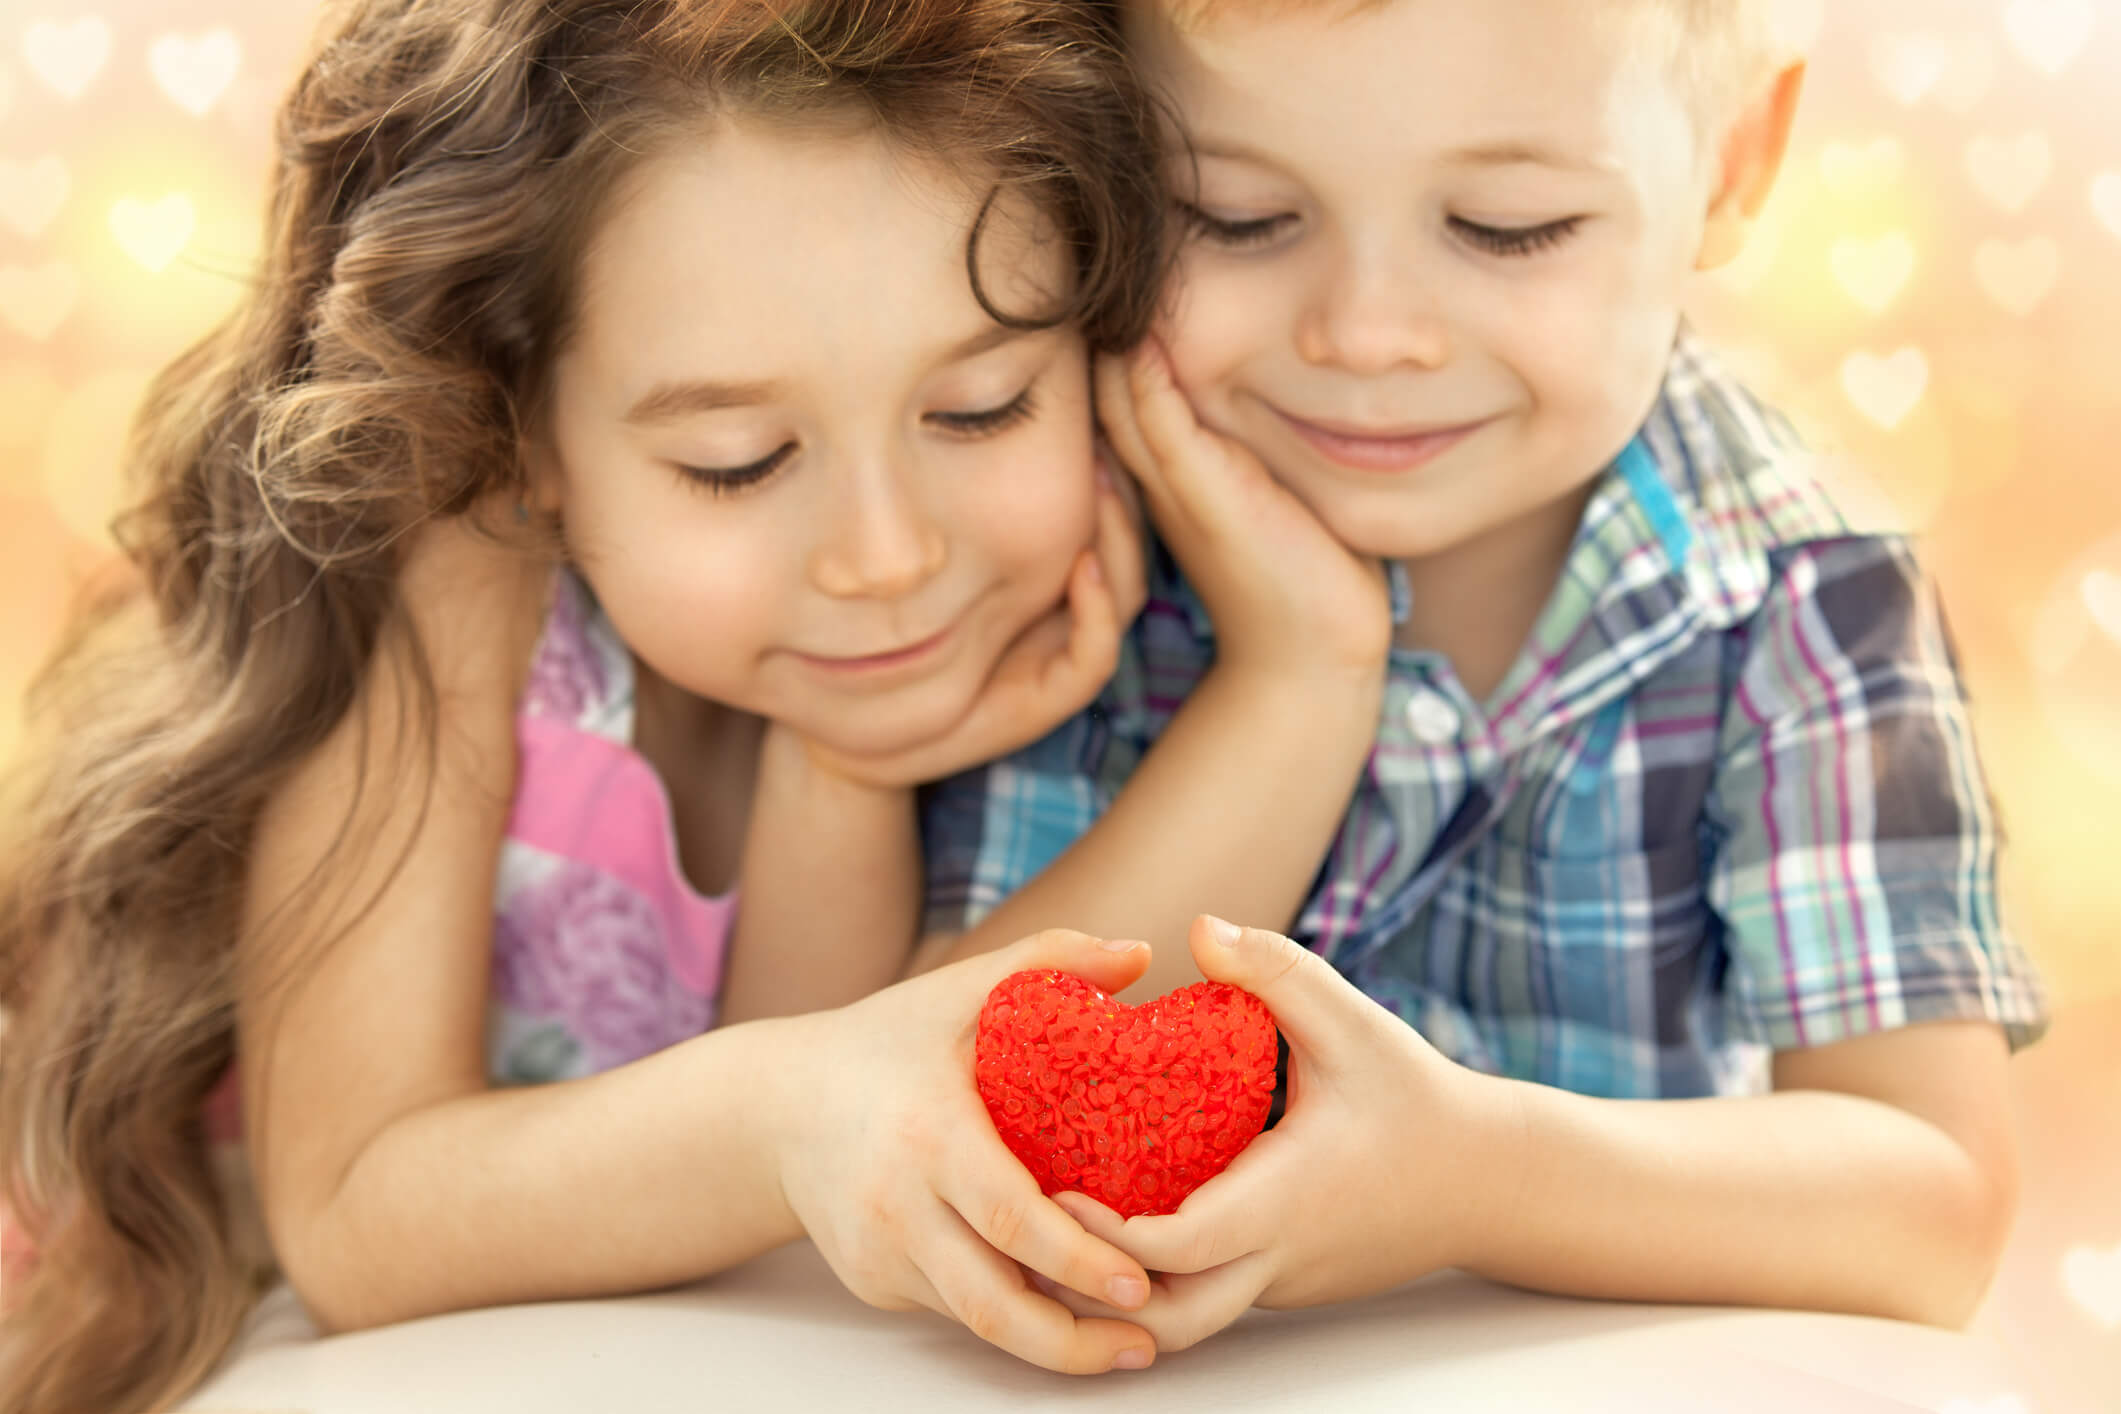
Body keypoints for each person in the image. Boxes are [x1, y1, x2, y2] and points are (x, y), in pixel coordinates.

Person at [0, 3, 1185, 1408]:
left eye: (982, 407)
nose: (888, 556)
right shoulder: (450, 585)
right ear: (520, 430)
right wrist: (785, 1107)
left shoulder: (873, 669)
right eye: (737, 462)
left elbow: (786, 1156)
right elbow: (356, 1214)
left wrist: (844, 767)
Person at [917, 0, 2051, 1351]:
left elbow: (1932, 1207)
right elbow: (908, 1091)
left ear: (1733, 163)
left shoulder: (1808, 597)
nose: (1365, 333)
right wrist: (1293, 681)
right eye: (1228, 216)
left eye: (1507, 227)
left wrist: (1474, 1175)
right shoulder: (1050, 535)